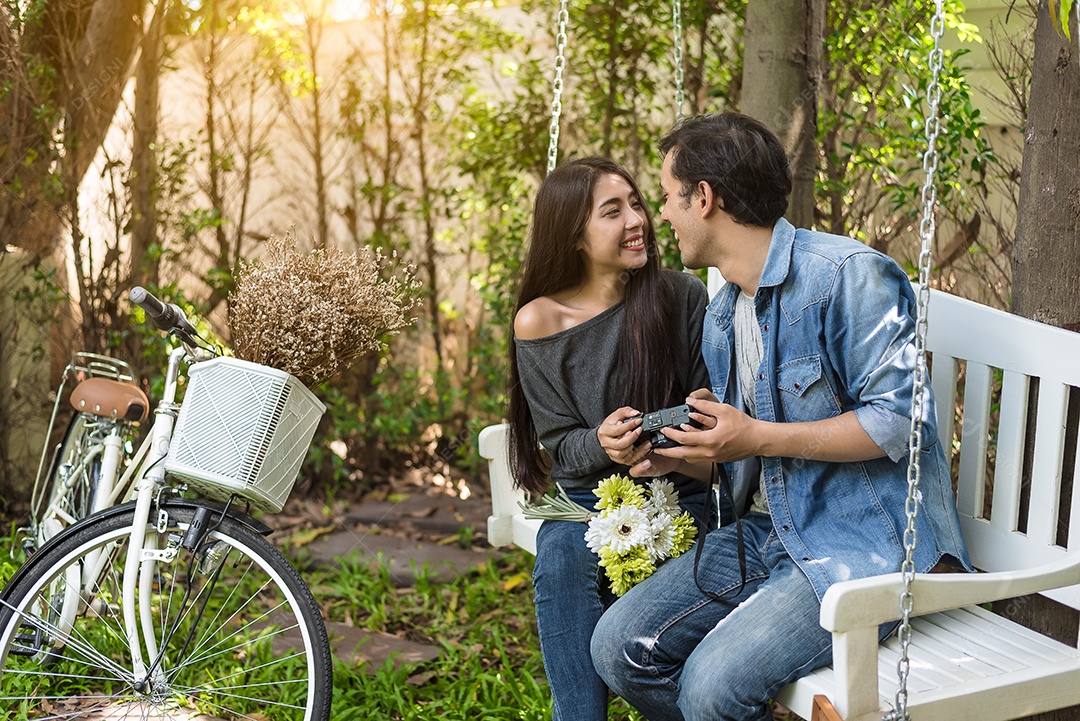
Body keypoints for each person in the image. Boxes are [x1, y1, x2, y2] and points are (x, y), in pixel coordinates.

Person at [589, 113, 972, 721]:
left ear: (705, 199)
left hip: (862, 546)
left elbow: (899, 422)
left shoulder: (848, 277)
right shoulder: (722, 313)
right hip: (769, 532)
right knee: (618, 648)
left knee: (711, 690)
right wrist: (679, 453)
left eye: (667, 198)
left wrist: (758, 436)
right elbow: (747, 445)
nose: (662, 215)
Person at [507, 156, 714, 721]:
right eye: (612, 211)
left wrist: (662, 447)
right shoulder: (540, 320)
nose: (637, 220)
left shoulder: (678, 296)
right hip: (585, 500)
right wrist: (602, 443)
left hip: (678, 492)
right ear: (575, 234)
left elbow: (708, 411)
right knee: (561, 559)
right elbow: (561, 446)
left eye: (638, 204)